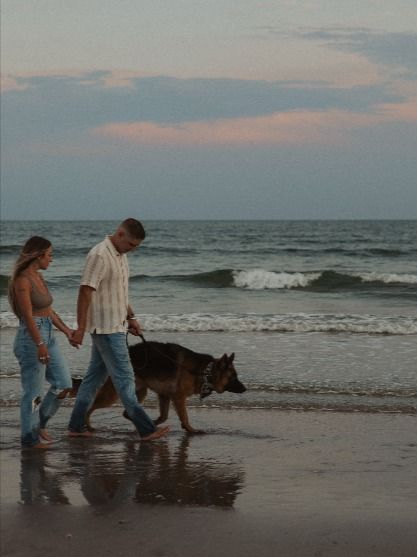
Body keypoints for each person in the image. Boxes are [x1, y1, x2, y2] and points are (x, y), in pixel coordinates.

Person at [68, 218, 169, 441]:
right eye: (132, 245)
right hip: (105, 329)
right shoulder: (99, 255)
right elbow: (85, 292)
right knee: (125, 379)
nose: (133, 250)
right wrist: (80, 328)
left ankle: (75, 426)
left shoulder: (121, 256)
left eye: (137, 247)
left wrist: (130, 317)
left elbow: (119, 293)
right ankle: (146, 429)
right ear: (120, 234)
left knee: (92, 381)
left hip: (117, 325)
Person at [9, 236, 74, 449]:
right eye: (50, 255)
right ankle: (29, 438)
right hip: (31, 339)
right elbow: (28, 315)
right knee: (33, 393)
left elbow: (48, 311)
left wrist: (67, 331)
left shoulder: (38, 277)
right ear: (38, 255)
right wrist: (39, 344)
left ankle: (40, 425)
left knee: (64, 384)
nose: (51, 260)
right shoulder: (22, 280)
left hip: (48, 335)